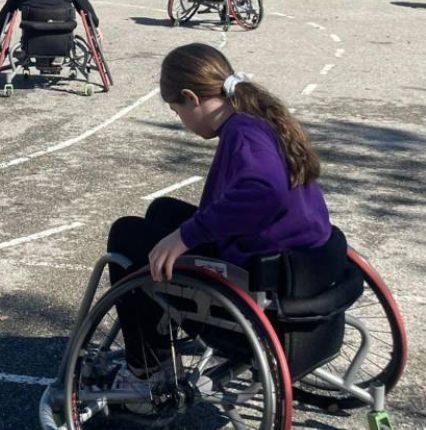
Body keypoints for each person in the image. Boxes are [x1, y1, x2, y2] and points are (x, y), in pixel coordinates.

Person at [107, 43, 332, 394]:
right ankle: (158, 337)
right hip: (295, 256)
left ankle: (146, 374)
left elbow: (264, 190)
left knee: (127, 236)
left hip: (259, 278)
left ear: (190, 97)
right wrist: (185, 231)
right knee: (162, 212)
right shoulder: (255, 118)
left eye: (177, 110)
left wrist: (186, 237)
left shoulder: (243, 133)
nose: (181, 121)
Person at [0, 0, 100, 52]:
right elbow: (85, 8)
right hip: (63, 36)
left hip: (32, 39)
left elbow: (6, 12)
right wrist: (94, 26)